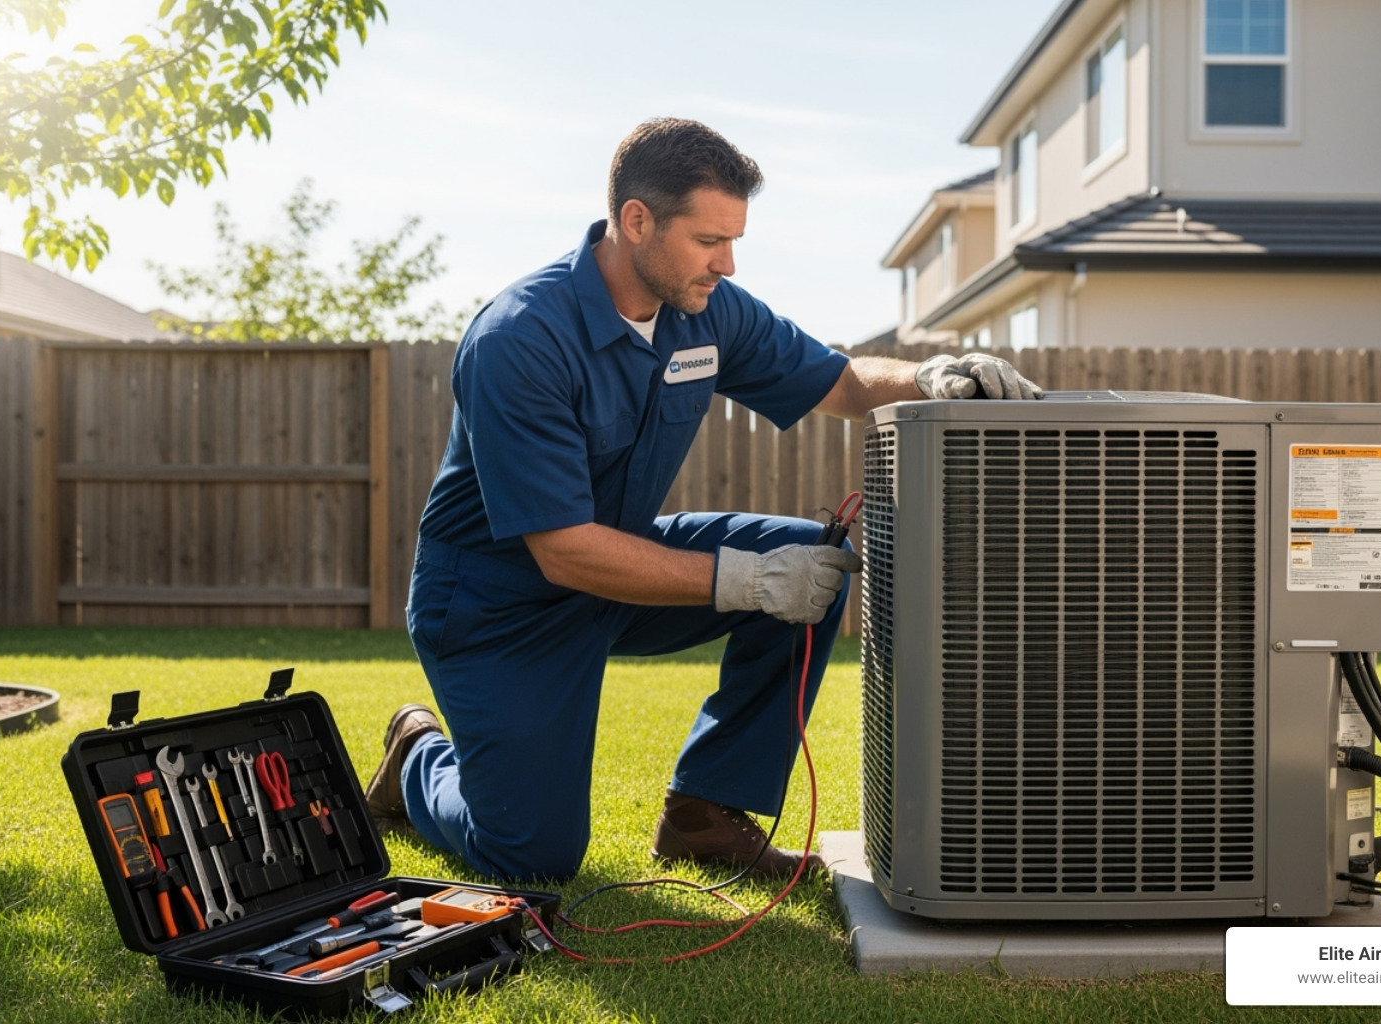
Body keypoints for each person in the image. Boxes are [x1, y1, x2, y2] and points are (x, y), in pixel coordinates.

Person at [366, 118, 1042, 882]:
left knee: (812, 565)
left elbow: (840, 379)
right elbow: (562, 550)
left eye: (735, 241)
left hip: (619, 567)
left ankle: (704, 814)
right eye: (709, 240)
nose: (726, 263)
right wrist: (749, 581)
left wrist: (929, 377)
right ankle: (417, 757)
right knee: (531, 854)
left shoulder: (706, 310)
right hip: (498, 607)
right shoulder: (520, 339)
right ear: (636, 220)